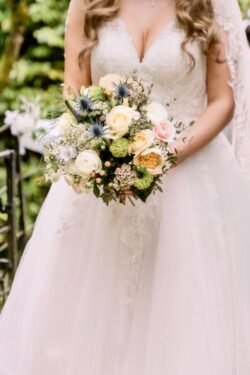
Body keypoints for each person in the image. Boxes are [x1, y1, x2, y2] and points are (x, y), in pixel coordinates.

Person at [0, 0, 250, 373]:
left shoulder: (208, 5)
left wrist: (164, 155)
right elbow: (75, 90)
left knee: (182, 316)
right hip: (102, 185)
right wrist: (100, 151)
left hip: (190, 181)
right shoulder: (87, 4)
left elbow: (222, 101)